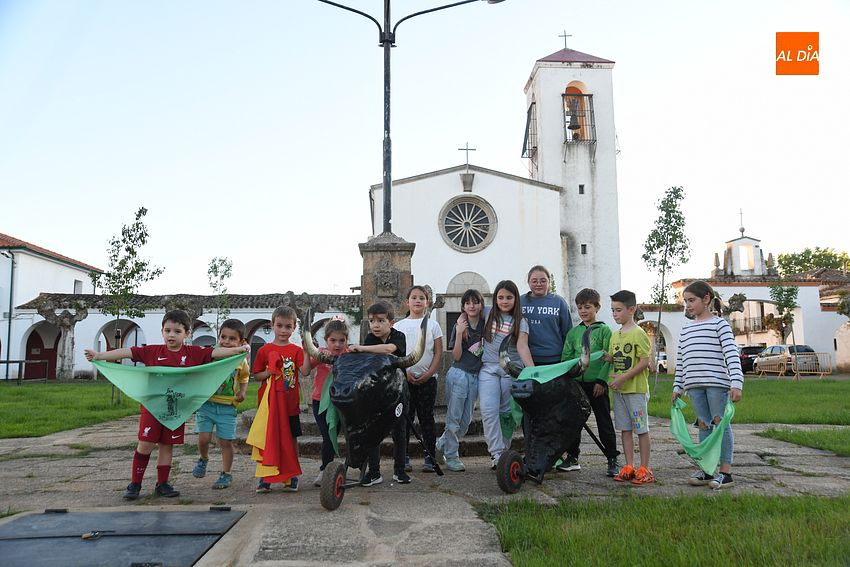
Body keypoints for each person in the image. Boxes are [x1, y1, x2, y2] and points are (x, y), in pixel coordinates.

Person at [84, 309, 249, 500]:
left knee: (167, 445)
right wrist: (99, 355)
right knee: (145, 444)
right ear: (162, 331)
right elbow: (128, 352)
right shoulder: (151, 351)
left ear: (187, 334)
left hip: (176, 409)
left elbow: (214, 352)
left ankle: (162, 484)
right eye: (168, 330)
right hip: (152, 407)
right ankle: (135, 484)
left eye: (177, 331)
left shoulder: (193, 353)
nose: (172, 335)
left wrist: (237, 350)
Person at [672, 280, 744, 490]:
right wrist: (678, 387)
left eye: (692, 300)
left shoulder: (719, 324)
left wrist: (736, 382)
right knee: (703, 425)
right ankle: (707, 469)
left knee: (720, 425)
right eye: (685, 301)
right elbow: (682, 361)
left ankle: (726, 472)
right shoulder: (686, 329)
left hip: (716, 385)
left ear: (706, 299)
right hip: (694, 387)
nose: (688, 305)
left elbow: (731, 355)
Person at [557, 288, 620, 477]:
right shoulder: (573, 333)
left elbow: (609, 358)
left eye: (587, 307)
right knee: (573, 422)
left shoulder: (604, 331)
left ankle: (612, 458)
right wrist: (569, 377)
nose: (583, 311)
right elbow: (566, 357)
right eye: (579, 307)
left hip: (597, 385)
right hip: (577, 384)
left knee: (604, 422)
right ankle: (573, 457)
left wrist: (602, 381)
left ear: (597, 307)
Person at [348, 301, 411, 485]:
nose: (375, 325)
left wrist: (361, 348)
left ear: (391, 322)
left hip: (398, 392)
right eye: (372, 321)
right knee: (373, 432)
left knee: (400, 431)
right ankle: (374, 472)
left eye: (381, 321)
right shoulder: (370, 338)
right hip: (377, 394)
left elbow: (389, 350)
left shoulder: (398, 336)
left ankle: (399, 470)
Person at [251, 306, 309, 493]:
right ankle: (265, 476)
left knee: (291, 440)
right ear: (272, 325)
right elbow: (257, 375)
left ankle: (292, 475)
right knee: (268, 440)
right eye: (280, 326)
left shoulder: (296, 350)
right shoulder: (264, 350)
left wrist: (307, 350)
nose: (283, 330)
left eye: (288, 327)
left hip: (290, 405)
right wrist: (269, 371)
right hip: (269, 406)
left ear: (293, 328)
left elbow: (305, 371)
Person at [479, 280, 534, 469]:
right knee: (488, 410)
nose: (504, 301)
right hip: (488, 369)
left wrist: (532, 371)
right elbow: (469, 307)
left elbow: (522, 346)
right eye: (500, 297)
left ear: (515, 299)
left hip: (510, 370)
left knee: (506, 413)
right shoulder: (487, 313)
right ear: (495, 298)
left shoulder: (521, 321)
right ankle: (496, 453)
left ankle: (504, 452)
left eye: (509, 297)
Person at [191, 319, 251, 489]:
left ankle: (226, 473)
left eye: (232, 339)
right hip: (207, 404)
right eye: (223, 336)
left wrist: (242, 392)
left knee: (225, 442)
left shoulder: (241, 361)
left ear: (241, 342)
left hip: (227, 407)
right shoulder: (211, 355)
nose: (226, 341)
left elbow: (245, 377)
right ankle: (203, 459)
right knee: (204, 438)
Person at [394, 286, 444, 473]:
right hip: (405, 380)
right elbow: (396, 354)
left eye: (422, 298)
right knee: (405, 419)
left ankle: (430, 457)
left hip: (427, 380)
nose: (417, 301)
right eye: (414, 297)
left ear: (427, 302)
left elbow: (438, 352)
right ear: (407, 302)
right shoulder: (398, 327)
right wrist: (405, 373)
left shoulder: (433, 325)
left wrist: (429, 373)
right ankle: (403, 457)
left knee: (427, 419)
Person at [435, 288, 485, 472]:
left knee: (465, 423)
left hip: (476, 378)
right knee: (454, 419)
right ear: (463, 306)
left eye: (475, 302)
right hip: (459, 375)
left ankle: (440, 444)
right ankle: (452, 456)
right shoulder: (460, 326)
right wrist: (458, 333)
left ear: (481, 304)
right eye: (468, 303)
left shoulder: (485, 324)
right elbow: (456, 356)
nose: (472, 306)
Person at [606, 290, 653, 484]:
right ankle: (629, 465)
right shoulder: (615, 335)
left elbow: (644, 361)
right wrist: (605, 357)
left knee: (641, 429)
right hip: (619, 392)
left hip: (635, 390)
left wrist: (623, 378)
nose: (615, 314)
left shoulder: (638, 333)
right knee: (625, 429)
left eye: (618, 310)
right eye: (613, 310)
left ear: (631, 309)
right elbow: (614, 356)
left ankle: (645, 468)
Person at [303, 316, 350, 487]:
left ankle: (347, 467)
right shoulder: (321, 353)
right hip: (321, 401)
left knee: (345, 435)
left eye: (341, 340)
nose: (337, 344)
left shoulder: (349, 355)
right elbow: (306, 371)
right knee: (328, 437)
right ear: (326, 340)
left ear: (346, 340)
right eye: (333, 340)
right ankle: (325, 470)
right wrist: (308, 351)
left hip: (343, 402)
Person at [520, 265, 573, 366]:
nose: (538, 284)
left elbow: (568, 332)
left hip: (555, 359)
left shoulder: (559, 302)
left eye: (543, 281)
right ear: (528, 282)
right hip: (527, 359)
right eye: (534, 281)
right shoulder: (520, 301)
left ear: (549, 282)